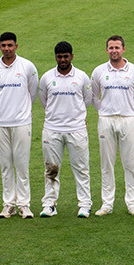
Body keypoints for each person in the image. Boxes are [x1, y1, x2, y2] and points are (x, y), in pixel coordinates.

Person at [0, 32, 39, 219]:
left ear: (16, 45)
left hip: (21, 122)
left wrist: (22, 110)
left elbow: (32, 92)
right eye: (3, 45)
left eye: (10, 45)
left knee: (22, 164)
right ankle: (9, 204)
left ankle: (24, 204)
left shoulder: (27, 66)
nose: (7, 48)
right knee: (6, 165)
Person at [38, 41, 93, 218]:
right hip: (52, 129)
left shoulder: (82, 77)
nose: (63, 60)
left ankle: (85, 204)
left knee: (81, 168)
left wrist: (75, 117)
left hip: (76, 129)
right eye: (59, 57)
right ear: (55, 57)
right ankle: (50, 204)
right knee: (51, 169)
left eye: (66, 56)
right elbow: (43, 100)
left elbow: (87, 99)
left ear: (72, 56)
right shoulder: (47, 77)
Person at [91, 35, 134, 216]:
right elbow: (94, 97)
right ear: (107, 50)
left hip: (128, 119)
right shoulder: (98, 71)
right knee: (107, 163)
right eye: (111, 48)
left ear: (123, 49)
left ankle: (132, 202)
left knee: (130, 163)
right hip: (106, 120)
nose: (114, 51)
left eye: (117, 48)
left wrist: (127, 110)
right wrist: (105, 111)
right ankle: (107, 203)